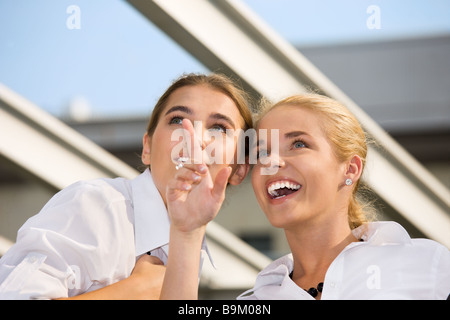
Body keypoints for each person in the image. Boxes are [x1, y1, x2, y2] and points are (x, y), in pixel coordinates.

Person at [0, 73, 252, 299]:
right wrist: (135, 290)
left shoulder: (190, 245)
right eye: (178, 120)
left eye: (219, 127)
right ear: (147, 148)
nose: (195, 137)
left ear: (239, 169)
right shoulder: (95, 206)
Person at [236, 93, 450, 300]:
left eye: (299, 144)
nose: (271, 162)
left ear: (350, 170)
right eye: (261, 153)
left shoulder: (427, 265)